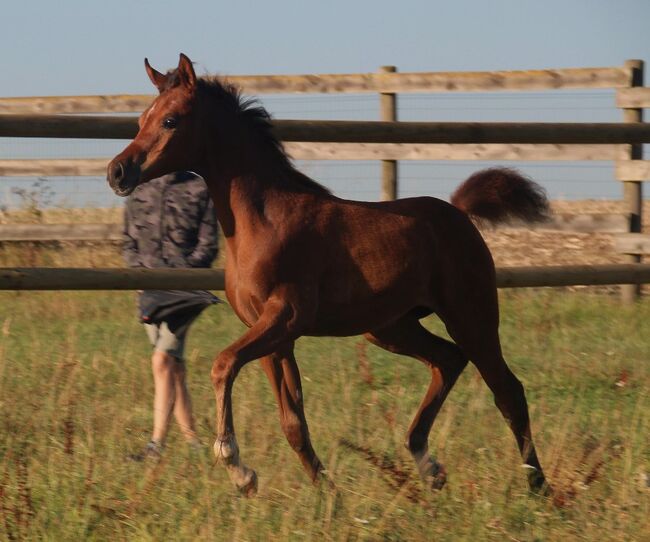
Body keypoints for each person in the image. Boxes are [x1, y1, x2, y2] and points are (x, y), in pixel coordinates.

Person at [123, 170, 219, 459]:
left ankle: (155, 446)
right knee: (174, 367)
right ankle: (194, 444)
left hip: (185, 293)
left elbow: (208, 244)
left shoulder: (200, 188)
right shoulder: (139, 188)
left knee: (162, 360)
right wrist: (138, 274)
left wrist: (183, 275)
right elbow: (128, 240)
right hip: (149, 290)